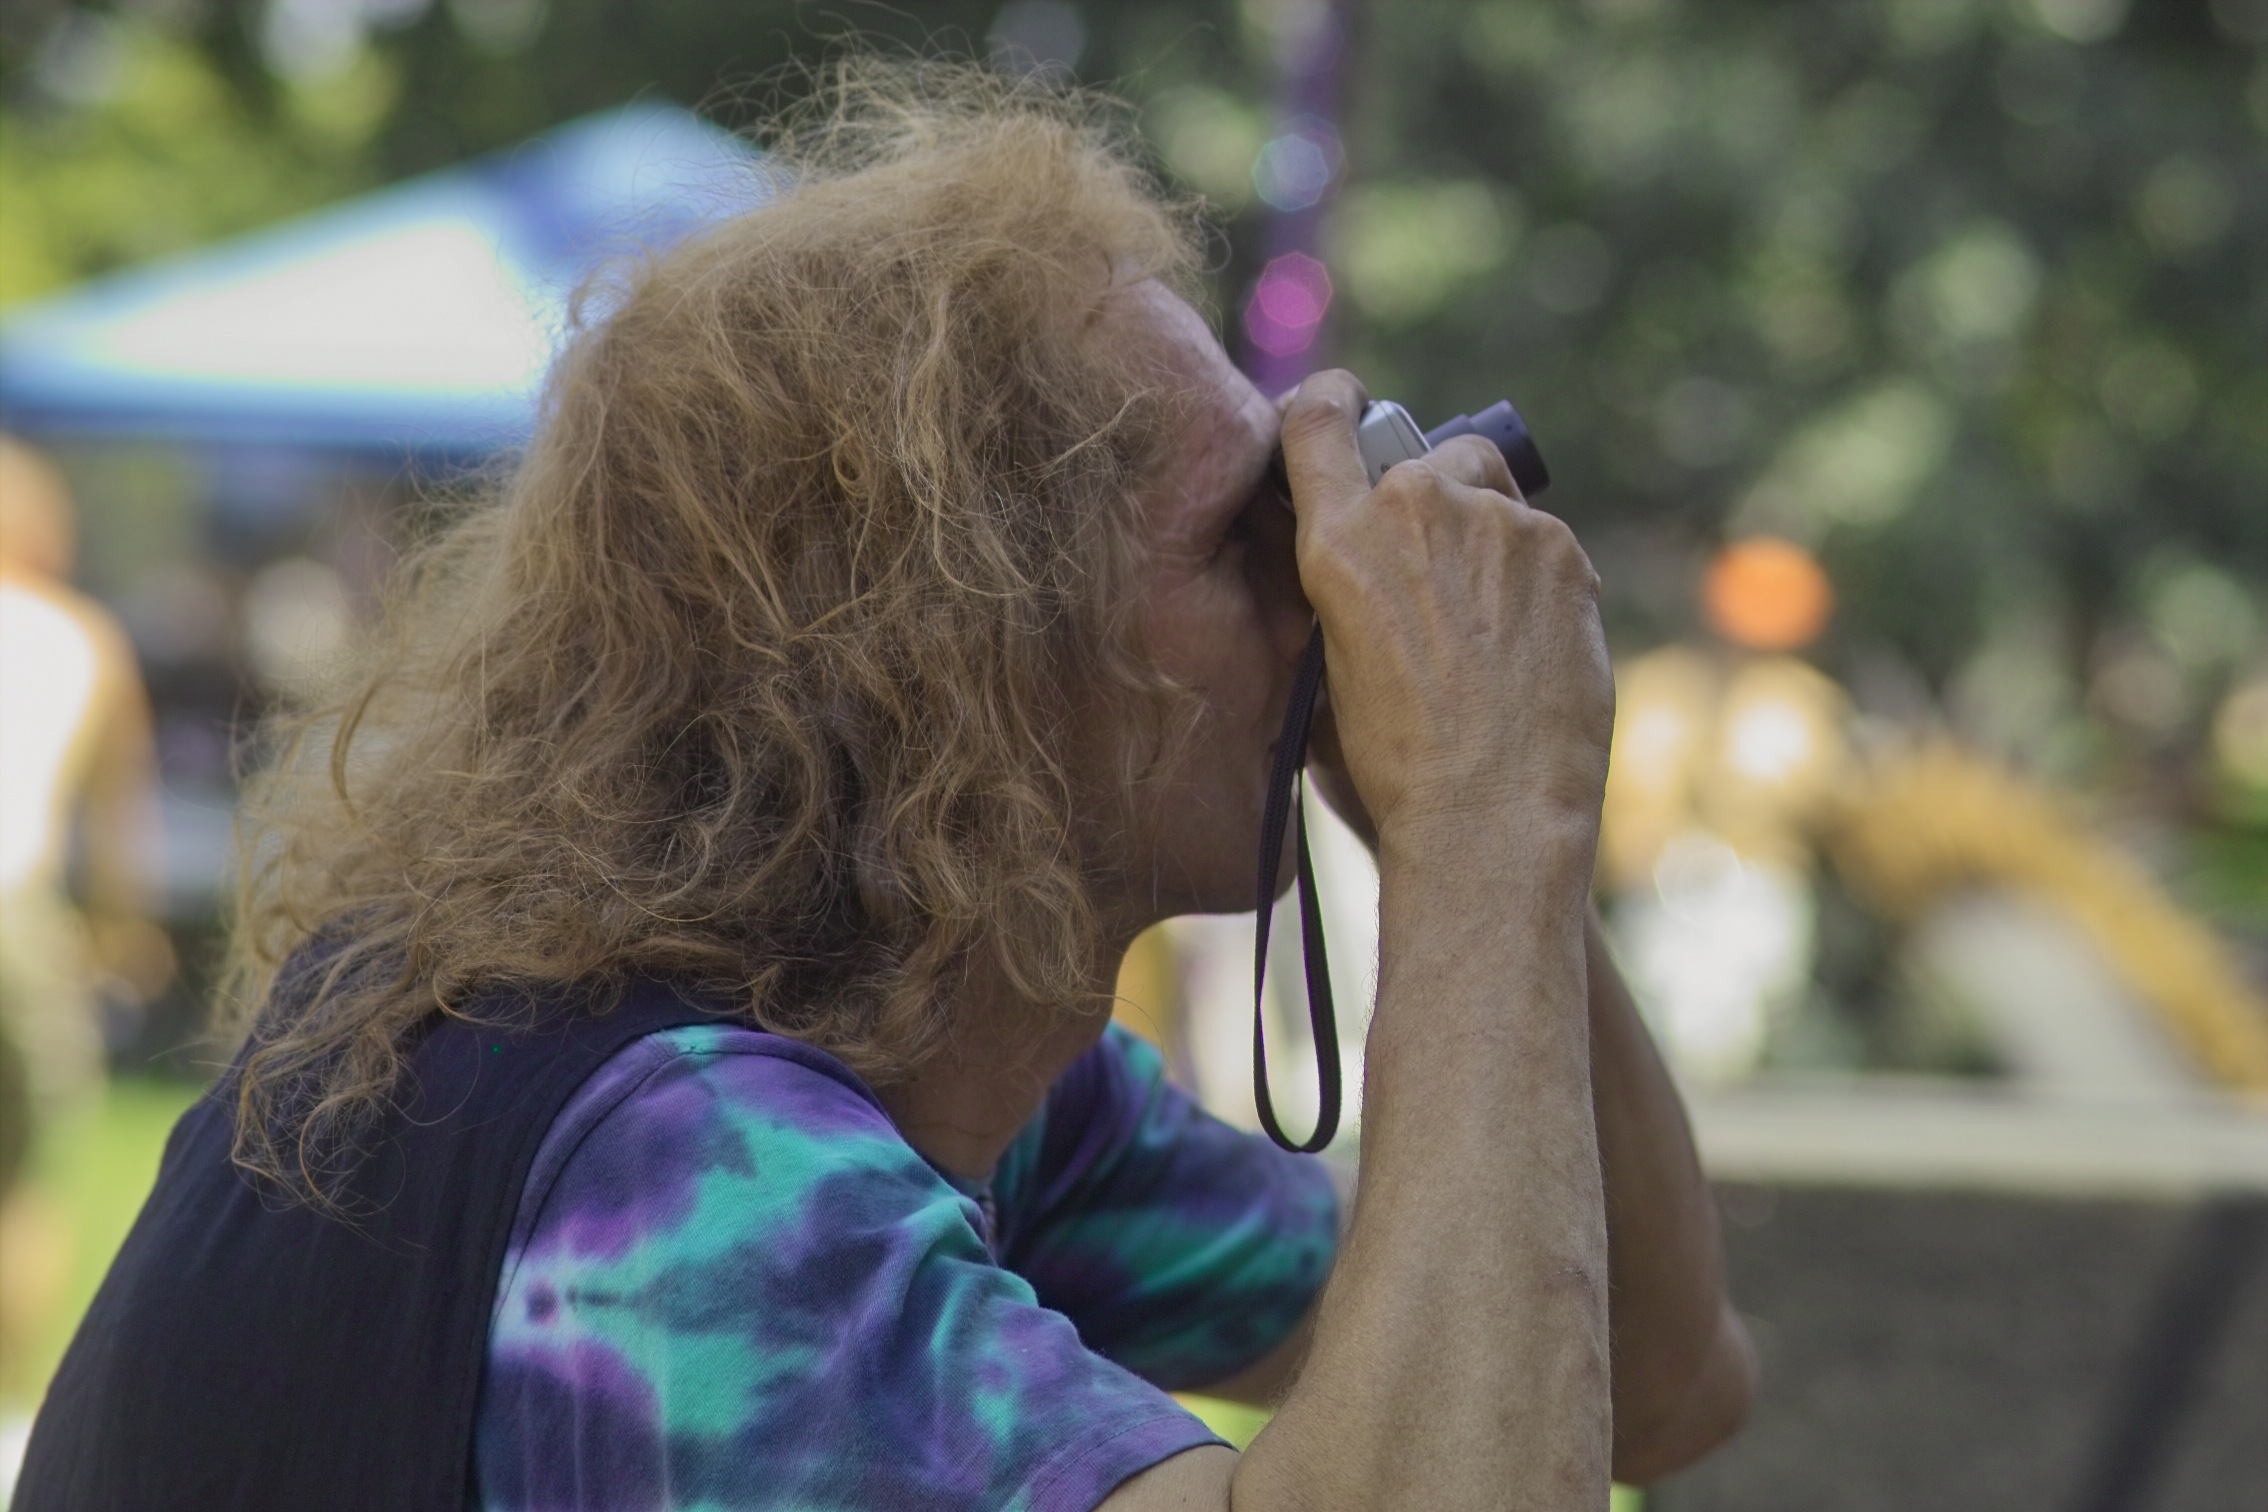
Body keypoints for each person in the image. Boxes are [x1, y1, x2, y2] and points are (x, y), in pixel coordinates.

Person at [19, 65, 1752, 1511]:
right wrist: (1481, 818)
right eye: (1248, 538)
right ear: (965, 657)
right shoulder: (676, 1172)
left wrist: (1468, 809)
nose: (1320, 584)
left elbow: (1654, 1381)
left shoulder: (935, 1048)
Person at [0, 436, 170, 1412]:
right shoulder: (82, 636)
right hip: (17, 922)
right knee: (24, 1178)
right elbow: (118, 817)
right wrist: (120, 931)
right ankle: (10, 1408)